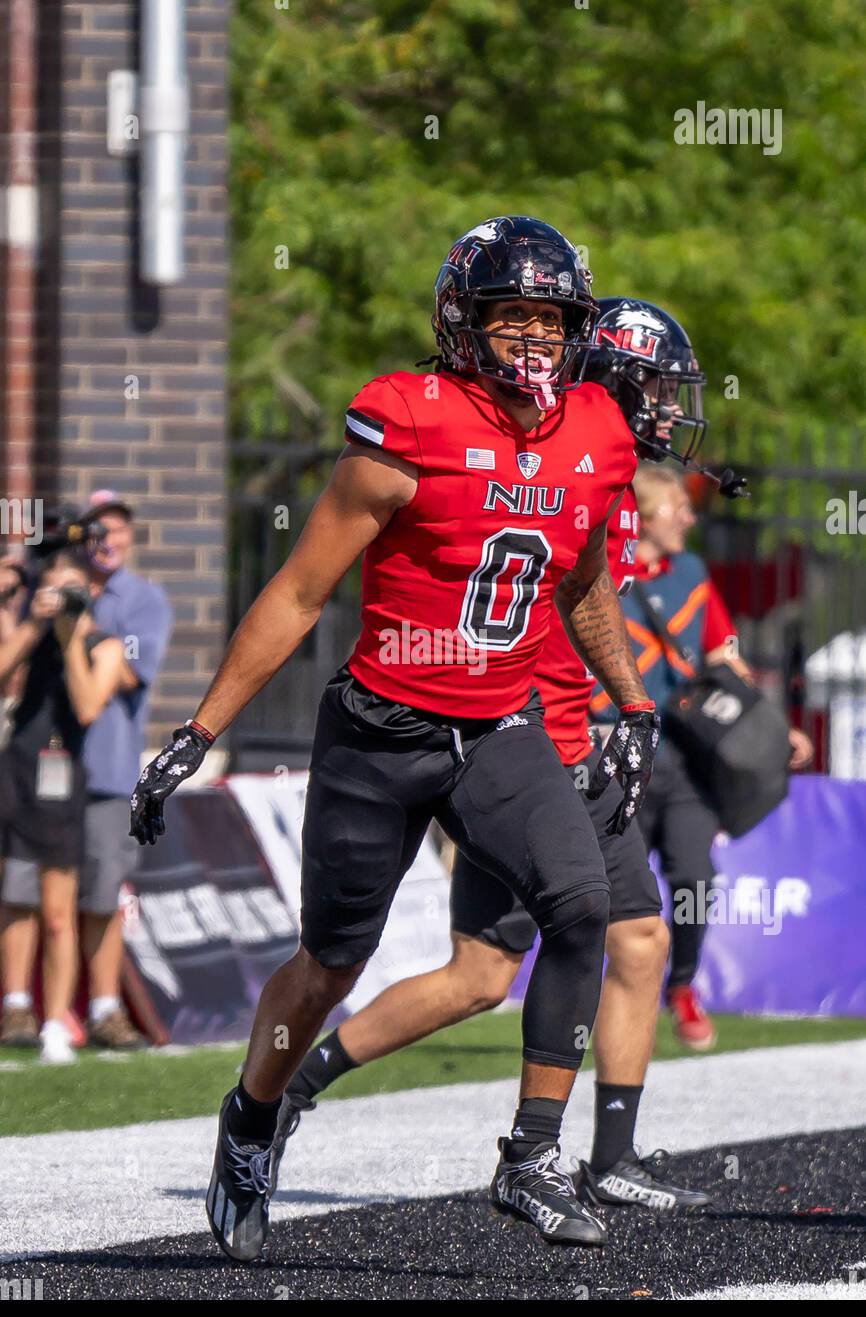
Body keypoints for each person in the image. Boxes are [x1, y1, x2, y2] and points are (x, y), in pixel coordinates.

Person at [131, 217, 659, 1257]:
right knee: (330, 961)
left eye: (549, 320)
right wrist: (199, 731)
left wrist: (630, 700)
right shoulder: (405, 422)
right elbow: (295, 591)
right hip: (381, 727)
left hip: (500, 722)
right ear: (461, 321)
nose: (532, 340)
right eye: (509, 316)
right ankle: (250, 1115)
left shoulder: (596, 432)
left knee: (581, 902)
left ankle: (530, 1155)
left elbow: (584, 577)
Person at [265, 298, 715, 1218]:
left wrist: (622, 707)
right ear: (617, 378)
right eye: (658, 387)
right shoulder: (561, 462)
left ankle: (593, 1150)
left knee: (530, 961)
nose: (669, 408)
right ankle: (303, 1090)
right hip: (529, 748)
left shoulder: (595, 461)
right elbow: (527, 633)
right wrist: (574, 743)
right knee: (551, 952)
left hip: (532, 744)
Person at [591, 461, 813, 1049]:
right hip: (618, 754)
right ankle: (609, 994)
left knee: (695, 876)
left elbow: (724, 652)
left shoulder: (689, 570)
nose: (689, 516)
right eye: (676, 508)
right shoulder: (599, 574)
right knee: (613, 893)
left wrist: (772, 728)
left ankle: (682, 985)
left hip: (685, 756)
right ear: (640, 516)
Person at [0, 550, 126, 1062]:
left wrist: (70, 638)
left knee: (57, 912)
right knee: (16, 901)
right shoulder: (31, 639)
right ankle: (15, 1009)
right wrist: (34, 625)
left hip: (64, 784)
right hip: (17, 776)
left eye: (73, 588)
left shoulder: (105, 645)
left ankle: (55, 1022)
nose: (64, 598)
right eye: (54, 588)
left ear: (91, 592)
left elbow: (89, 706)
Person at [78, 490, 173, 1049]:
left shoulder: (141, 600)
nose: (106, 540)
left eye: (115, 530)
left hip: (108, 771)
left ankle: (104, 1008)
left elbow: (129, 674)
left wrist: (80, 628)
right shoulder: (56, 589)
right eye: (95, 530)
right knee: (29, 893)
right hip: (37, 770)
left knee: (101, 893)